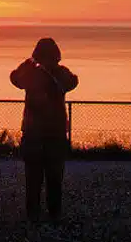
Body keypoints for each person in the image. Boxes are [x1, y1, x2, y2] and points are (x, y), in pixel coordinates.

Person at [9, 38, 79, 222]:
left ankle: (33, 215)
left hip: (34, 132)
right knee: (54, 178)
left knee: (33, 178)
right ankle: (53, 214)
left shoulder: (32, 74)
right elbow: (73, 82)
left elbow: (15, 78)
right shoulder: (61, 74)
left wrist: (28, 64)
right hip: (54, 132)